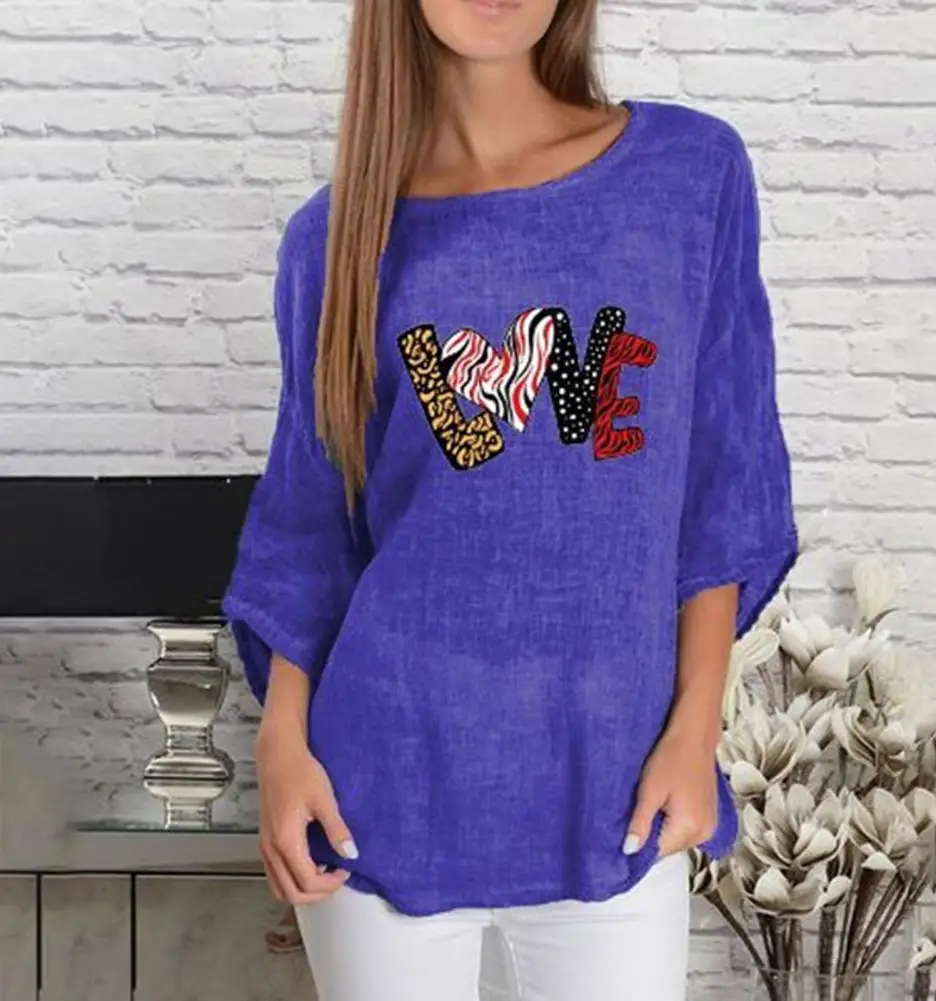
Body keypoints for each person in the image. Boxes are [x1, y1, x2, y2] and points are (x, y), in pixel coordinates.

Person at [222, 0, 798, 998]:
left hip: (616, 785)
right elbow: (308, 529)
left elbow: (722, 480)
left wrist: (692, 727)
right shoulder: (335, 238)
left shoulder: (687, 174)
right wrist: (280, 746)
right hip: (375, 786)